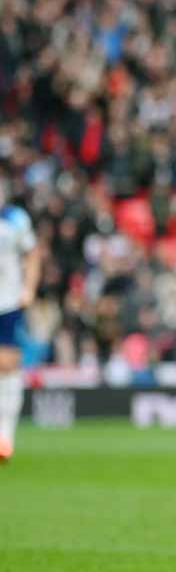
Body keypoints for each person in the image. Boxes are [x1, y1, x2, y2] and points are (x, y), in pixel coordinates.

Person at [0, 181, 39, 462]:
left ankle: (5, 436)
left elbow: (32, 254)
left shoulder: (15, 219)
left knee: (7, 364)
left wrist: (29, 287)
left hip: (6, 301)